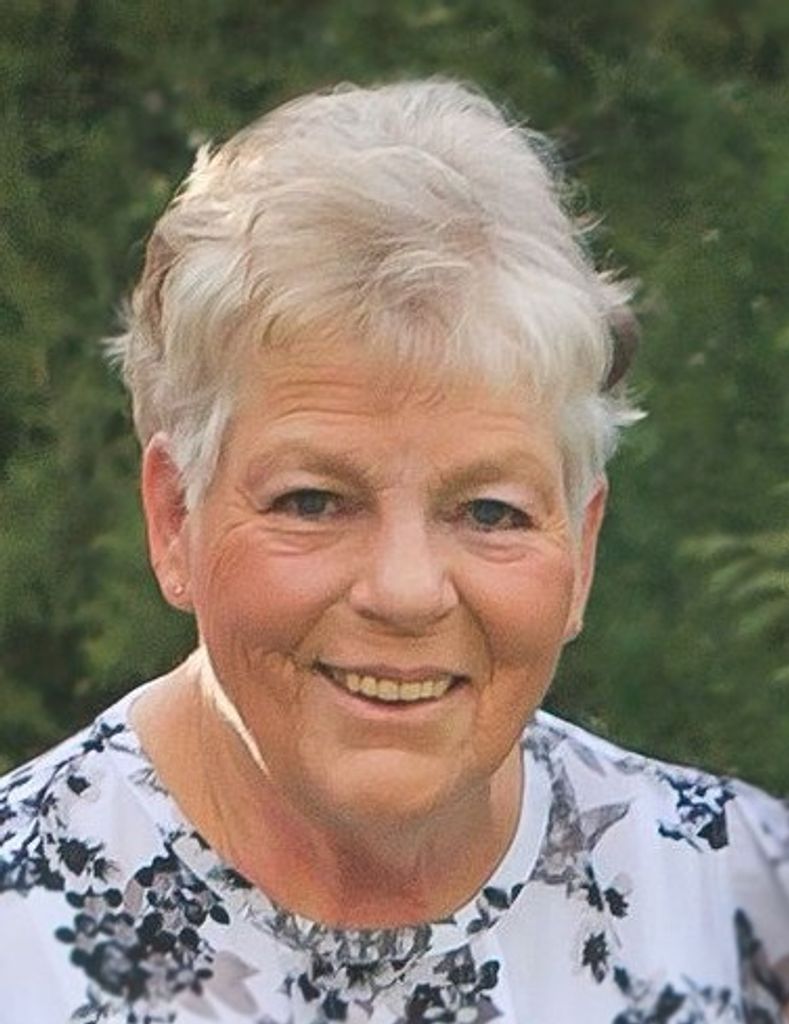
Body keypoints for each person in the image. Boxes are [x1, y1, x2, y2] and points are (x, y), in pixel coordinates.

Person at [0, 79, 787, 1024]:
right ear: (175, 518)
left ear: (580, 548)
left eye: (490, 511)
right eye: (313, 501)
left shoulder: (742, 915)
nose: (406, 592)